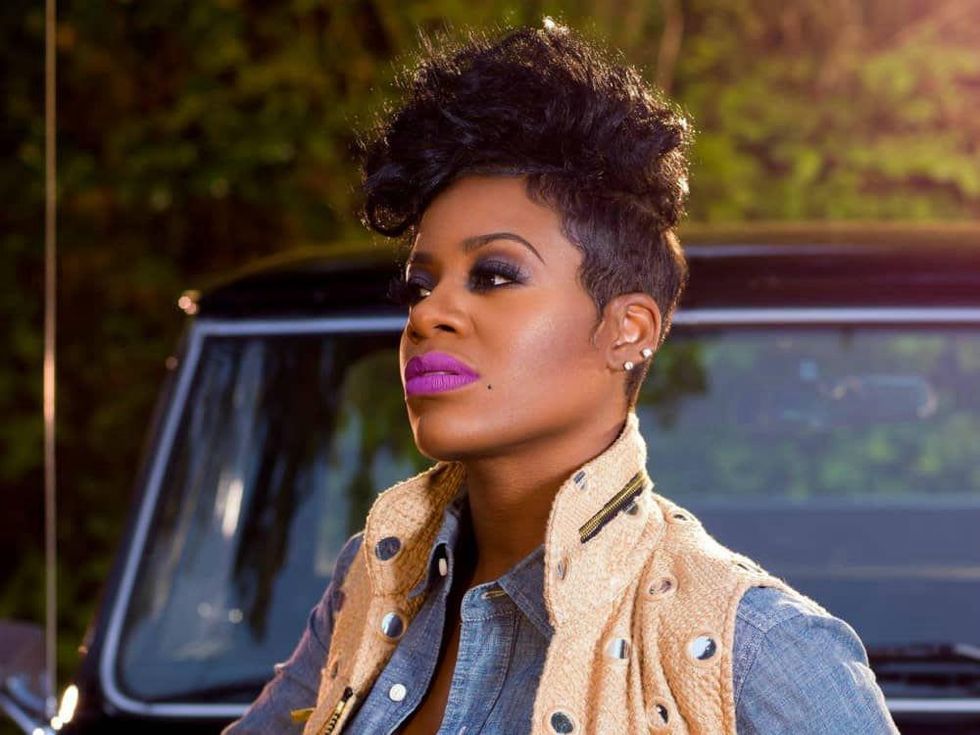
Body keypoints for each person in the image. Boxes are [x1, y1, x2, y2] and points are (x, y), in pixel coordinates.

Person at [225, 19, 899, 735]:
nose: (429, 314)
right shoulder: (378, 577)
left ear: (626, 329)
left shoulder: (757, 649)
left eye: (494, 274)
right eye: (420, 286)